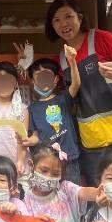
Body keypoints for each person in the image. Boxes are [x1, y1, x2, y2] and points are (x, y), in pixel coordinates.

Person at [43, 0, 112, 186]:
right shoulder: (61, 58)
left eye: (68, 16)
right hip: (90, 131)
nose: (64, 23)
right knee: (101, 185)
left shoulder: (101, 38)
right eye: (56, 20)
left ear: (80, 18)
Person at [25, 54, 82, 184]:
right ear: (33, 82)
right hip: (46, 163)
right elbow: (35, 137)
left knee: (73, 197)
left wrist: (72, 61)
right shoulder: (32, 109)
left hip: (70, 160)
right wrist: (26, 141)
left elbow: (76, 84)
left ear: (56, 79)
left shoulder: (63, 98)